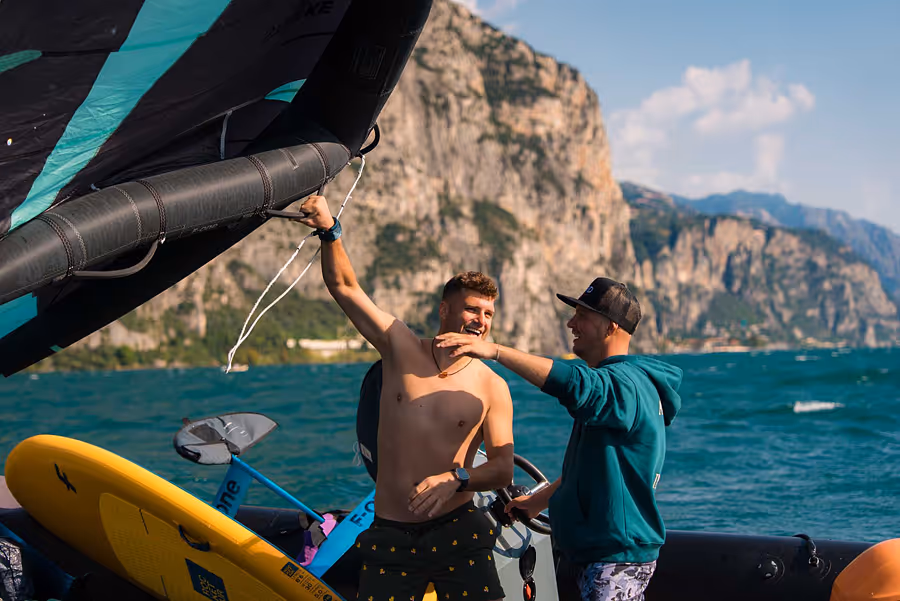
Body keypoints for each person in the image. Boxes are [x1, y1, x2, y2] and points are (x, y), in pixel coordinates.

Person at [296, 194, 513, 601]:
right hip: (392, 534)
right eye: (471, 310)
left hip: (458, 531)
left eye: (488, 315)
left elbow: (502, 470)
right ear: (444, 310)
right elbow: (344, 287)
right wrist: (329, 230)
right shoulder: (400, 347)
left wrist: (457, 479)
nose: (480, 322)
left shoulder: (492, 386)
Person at [437, 277, 682, 601]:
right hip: (598, 554)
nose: (571, 323)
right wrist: (539, 500)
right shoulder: (621, 387)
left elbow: (575, 384)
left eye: (582, 315)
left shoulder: (623, 387)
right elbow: (592, 469)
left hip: (613, 559)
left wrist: (494, 351)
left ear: (610, 327)